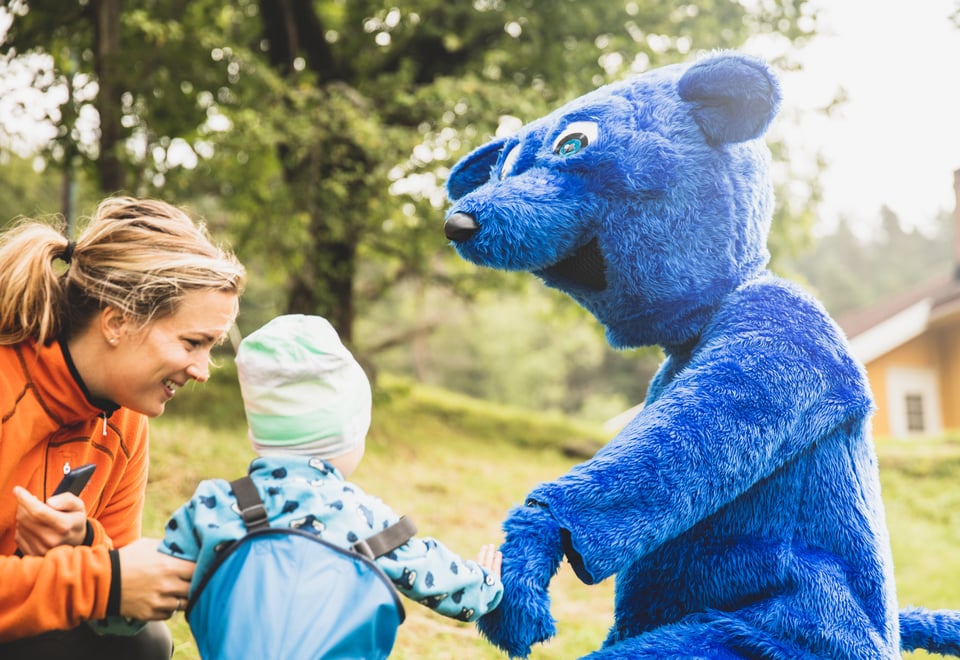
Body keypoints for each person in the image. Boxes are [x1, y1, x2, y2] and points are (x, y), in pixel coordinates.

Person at [0, 197, 246, 660]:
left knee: (141, 642)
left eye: (210, 348)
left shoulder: (126, 420)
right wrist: (99, 583)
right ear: (118, 321)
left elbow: (115, 576)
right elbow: (102, 586)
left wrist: (85, 541)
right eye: (192, 343)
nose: (202, 370)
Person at [158, 314, 504, 626]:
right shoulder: (360, 515)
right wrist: (485, 584)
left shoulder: (212, 504)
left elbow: (148, 585)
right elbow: (440, 580)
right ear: (346, 433)